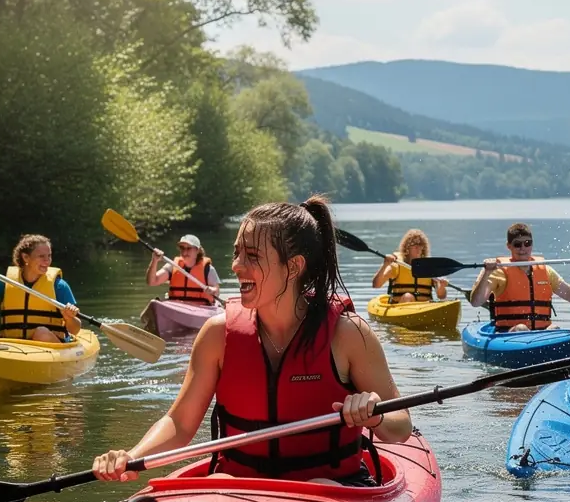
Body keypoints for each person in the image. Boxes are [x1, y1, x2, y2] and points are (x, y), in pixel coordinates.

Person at [93, 197, 412, 485]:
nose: (235, 265)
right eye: (236, 253)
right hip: (241, 490)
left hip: (333, 493)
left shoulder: (349, 335)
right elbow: (179, 422)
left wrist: (377, 415)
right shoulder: (217, 335)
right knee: (222, 489)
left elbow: (401, 425)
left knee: (320, 486)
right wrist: (132, 456)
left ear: (294, 266)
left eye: (252, 256)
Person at [469, 222, 570, 331]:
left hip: (540, 333)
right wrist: (486, 272)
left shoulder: (545, 271)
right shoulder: (497, 272)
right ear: (509, 246)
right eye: (517, 244)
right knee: (521, 328)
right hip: (509, 334)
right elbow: (476, 302)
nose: (523, 248)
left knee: (554, 328)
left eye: (527, 243)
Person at [0, 234, 82, 342]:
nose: (47, 261)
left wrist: (69, 317)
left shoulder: (59, 286)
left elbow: (75, 330)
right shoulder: (5, 282)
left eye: (49, 256)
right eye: (41, 256)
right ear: (26, 257)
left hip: (50, 348)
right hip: (16, 346)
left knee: (41, 333)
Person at [371, 229, 448, 304]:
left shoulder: (429, 267)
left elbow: (441, 296)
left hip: (424, 307)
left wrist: (441, 286)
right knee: (408, 296)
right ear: (407, 248)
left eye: (421, 247)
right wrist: (385, 265)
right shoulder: (397, 265)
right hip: (401, 307)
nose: (419, 250)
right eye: (415, 246)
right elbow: (376, 285)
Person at [146, 233, 220, 304]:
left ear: (197, 250)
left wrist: (212, 290)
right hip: (177, 307)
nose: (184, 252)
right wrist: (154, 261)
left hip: (202, 308)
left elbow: (216, 291)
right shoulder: (172, 266)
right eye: (182, 248)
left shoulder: (208, 269)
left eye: (188, 248)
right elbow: (152, 282)